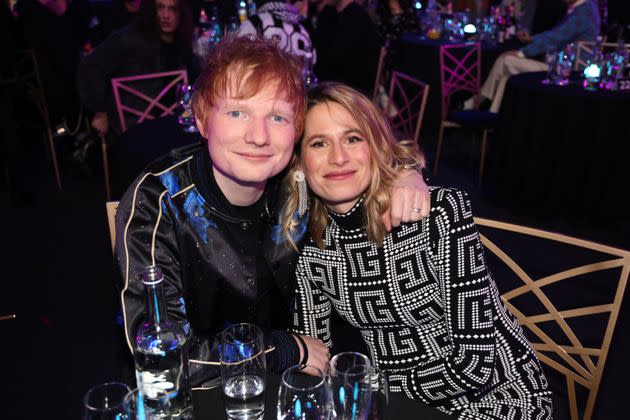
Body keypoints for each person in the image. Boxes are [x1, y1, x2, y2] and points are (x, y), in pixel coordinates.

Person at [115, 35, 431, 387]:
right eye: (237, 112)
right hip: (195, 395)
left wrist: (405, 173)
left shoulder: (296, 181)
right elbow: (161, 356)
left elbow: (360, 155)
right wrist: (281, 349)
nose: (259, 136)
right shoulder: (160, 199)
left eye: (277, 117)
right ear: (202, 118)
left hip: (289, 386)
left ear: (295, 129)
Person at [283, 82, 553, 419]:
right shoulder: (309, 248)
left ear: (376, 146)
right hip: (397, 404)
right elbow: (315, 357)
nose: (339, 157)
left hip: (497, 395)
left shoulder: (436, 213)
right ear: (298, 162)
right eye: (319, 143)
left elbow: (476, 362)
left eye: (353, 138)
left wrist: (371, 389)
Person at [77, 0, 194, 136]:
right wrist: (100, 110)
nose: (166, 15)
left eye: (172, 9)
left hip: (175, 124)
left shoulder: (182, 42)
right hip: (135, 128)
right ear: (151, 10)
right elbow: (89, 67)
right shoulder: (127, 38)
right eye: (160, 8)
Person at [471, 0, 599, 113]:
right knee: (506, 77)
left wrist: (523, 53)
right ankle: (494, 115)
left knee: (506, 60)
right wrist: (532, 39)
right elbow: (555, 34)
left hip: (569, 74)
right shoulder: (580, 8)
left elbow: (556, 37)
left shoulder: (584, 10)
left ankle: (477, 102)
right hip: (559, 69)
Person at [237, 0, 316, 66]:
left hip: (263, 83)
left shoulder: (254, 23)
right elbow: (313, 62)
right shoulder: (304, 29)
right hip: (298, 83)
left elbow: (237, 59)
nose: (307, 6)